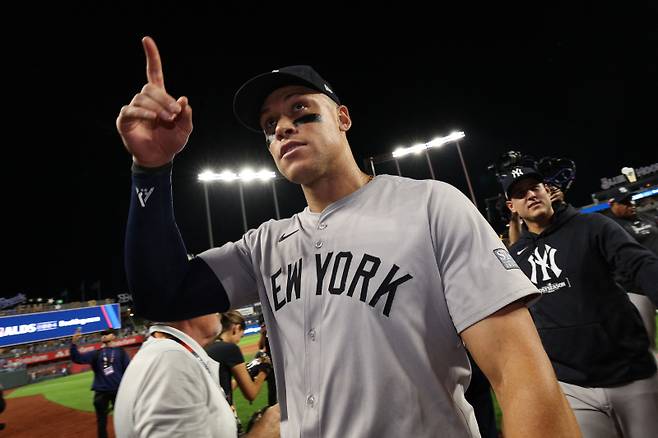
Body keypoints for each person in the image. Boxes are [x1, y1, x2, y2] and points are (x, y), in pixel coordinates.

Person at [117, 36, 580, 437]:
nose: (282, 127)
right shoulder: (264, 247)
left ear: (342, 118)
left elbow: (522, 378)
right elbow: (162, 294)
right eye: (269, 125)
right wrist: (151, 171)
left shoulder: (431, 206)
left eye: (301, 110)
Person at [503, 166, 658, 438]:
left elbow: (640, 263)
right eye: (520, 193)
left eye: (535, 187)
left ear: (547, 191)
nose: (530, 195)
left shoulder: (594, 226)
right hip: (572, 388)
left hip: (632, 375)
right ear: (512, 205)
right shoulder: (516, 256)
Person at [113, 313, 280, 438]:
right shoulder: (170, 361)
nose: (218, 311)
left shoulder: (167, 353)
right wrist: (260, 433)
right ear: (186, 307)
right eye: (208, 297)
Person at [608, 190, 658, 351]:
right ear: (612, 204)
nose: (631, 205)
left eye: (631, 201)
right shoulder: (609, 227)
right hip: (636, 289)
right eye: (625, 202)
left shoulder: (647, 218)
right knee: (646, 340)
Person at [70, 328, 131, 438]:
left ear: (114, 336)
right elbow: (77, 358)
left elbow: (129, 371)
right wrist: (74, 343)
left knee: (123, 419)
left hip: (118, 391)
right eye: (102, 334)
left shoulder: (121, 352)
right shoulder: (96, 353)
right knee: (101, 422)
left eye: (107, 334)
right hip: (101, 392)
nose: (103, 336)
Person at [205, 311, 271, 410]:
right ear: (236, 328)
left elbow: (224, 385)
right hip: (222, 414)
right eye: (241, 336)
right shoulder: (230, 349)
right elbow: (251, 394)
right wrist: (264, 370)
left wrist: (248, 372)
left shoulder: (207, 346)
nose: (238, 341)